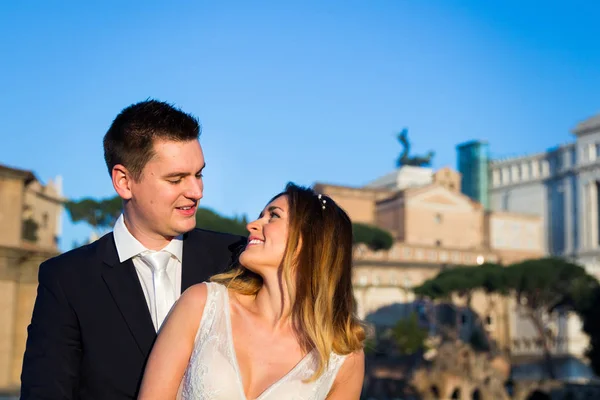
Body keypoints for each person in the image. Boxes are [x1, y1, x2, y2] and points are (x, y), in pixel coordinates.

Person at [20, 100, 246, 400]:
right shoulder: (66, 279)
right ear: (124, 182)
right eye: (176, 179)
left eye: (199, 174)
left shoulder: (234, 258)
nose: (196, 192)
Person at [138, 183, 366, 400]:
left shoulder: (343, 358)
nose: (253, 225)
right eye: (261, 215)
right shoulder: (201, 304)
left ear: (311, 239)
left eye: (273, 216)